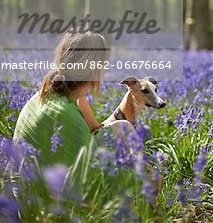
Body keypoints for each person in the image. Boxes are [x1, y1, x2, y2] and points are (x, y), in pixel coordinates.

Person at [13, 30, 133, 166]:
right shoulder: (66, 114)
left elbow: (97, 129)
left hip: (24, 179)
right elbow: (92, 173)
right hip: (48, 184)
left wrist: (127, 103)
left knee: (122, 127)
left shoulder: (51, 92)